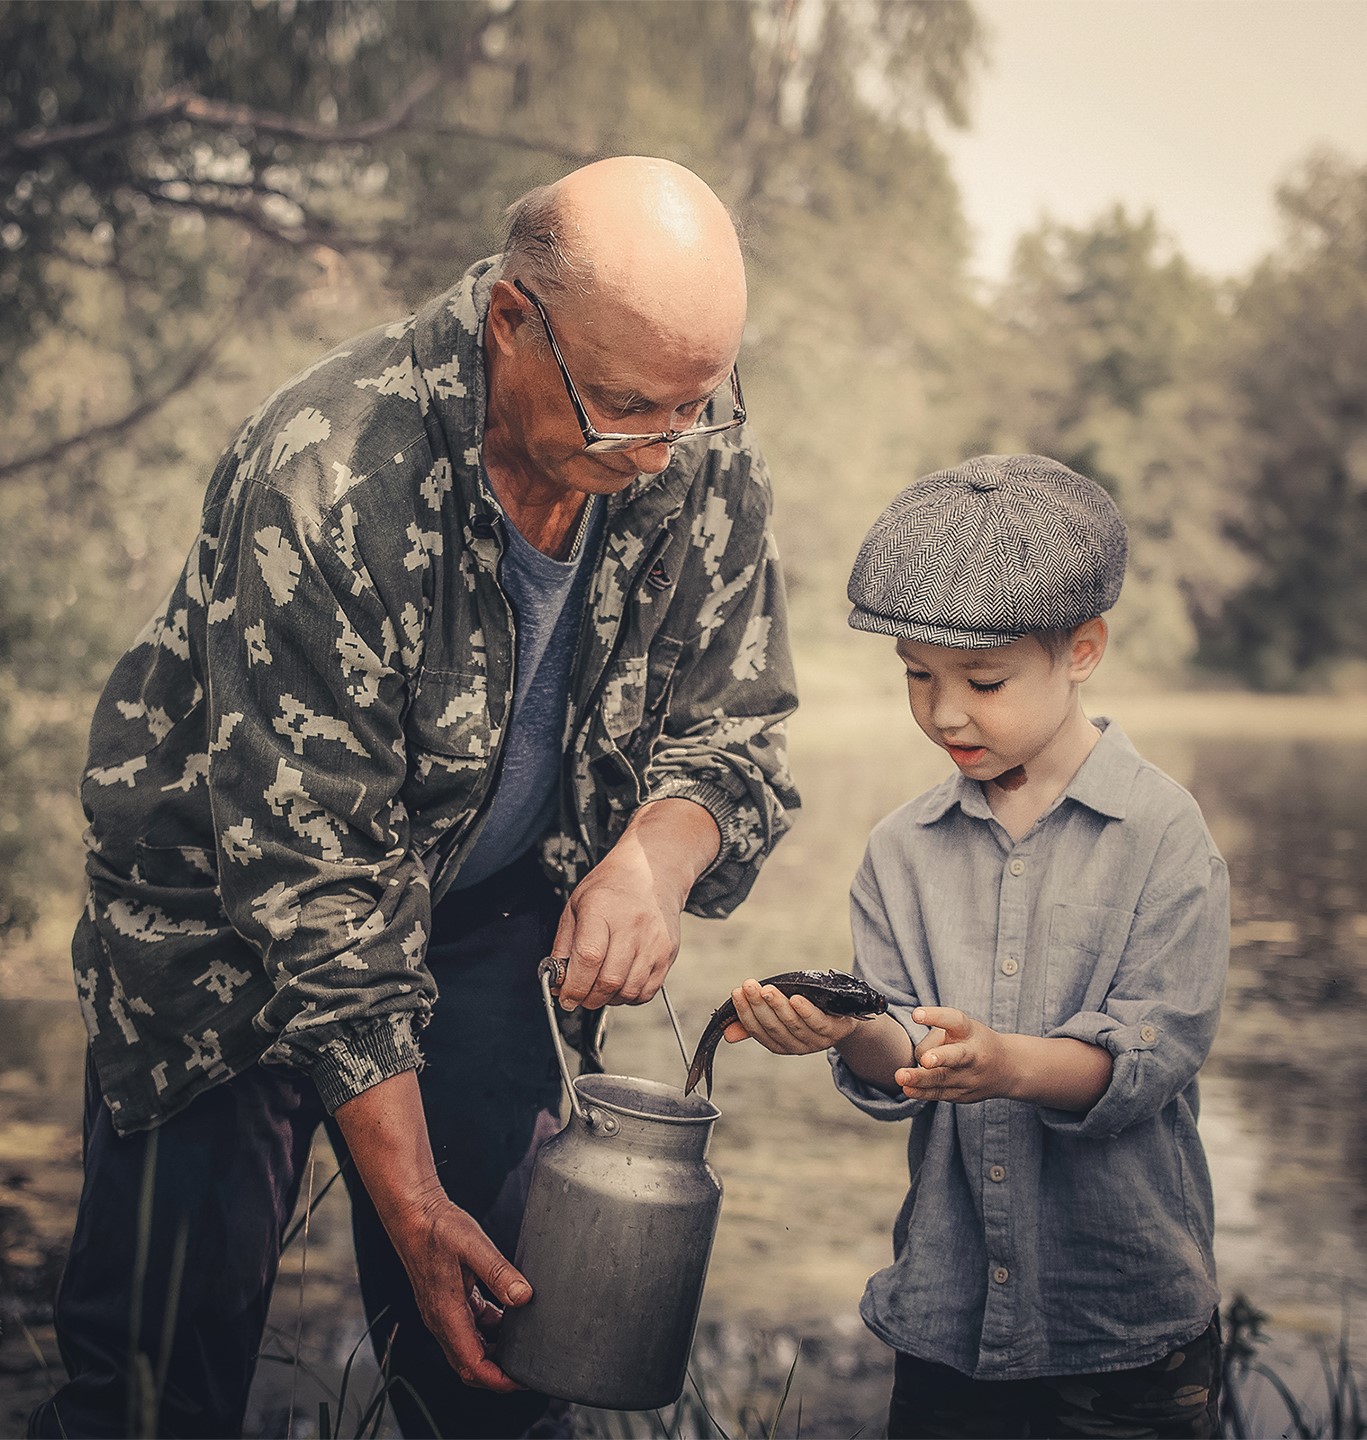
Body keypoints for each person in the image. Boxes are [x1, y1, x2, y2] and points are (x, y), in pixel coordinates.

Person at [30, 155, 799, 1440]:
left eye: (694, 407)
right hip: (224, 927)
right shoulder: (328, 474)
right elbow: (314, 898)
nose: (663, 450)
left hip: (486, 916)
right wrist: (408, 1205)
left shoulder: (686, 443)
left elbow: (737, 733)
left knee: (500, 1359)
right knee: (153, 1384)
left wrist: (652, 860)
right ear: (512, 323)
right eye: (625, 408)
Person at [724, 454, 1227, 1439]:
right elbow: (902, 1053)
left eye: (983, 680)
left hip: (1120, 1330)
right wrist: (845, 1032)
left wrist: (1006, 1065)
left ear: (1081, 650)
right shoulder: (898, 850)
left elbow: (1145, 1060)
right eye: (916, 675)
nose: (944, 711)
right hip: (946, 1324)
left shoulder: (1162, 835)